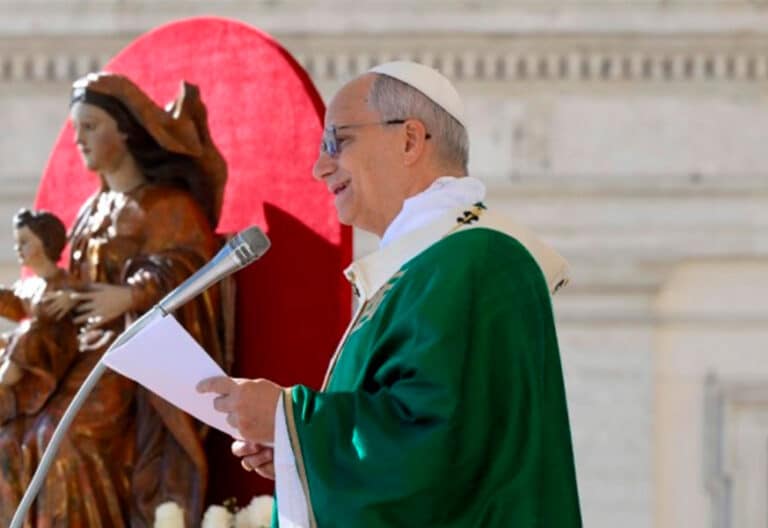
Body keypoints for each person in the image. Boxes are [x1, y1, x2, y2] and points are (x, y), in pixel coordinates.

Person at [198, 61, 582, 527]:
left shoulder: (478, 260)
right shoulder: (426, 266)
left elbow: (440, 446)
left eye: (337, 142)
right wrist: (299, 452)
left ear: (409, 140)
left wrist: (290, 419)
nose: (320, 168)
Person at [8, 72, 229, 527]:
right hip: (78, 351)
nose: (79, 141)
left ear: (125, 129)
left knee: (63, 439)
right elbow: (76, 279)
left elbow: (193, 270)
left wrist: (131, 295)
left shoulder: (166, 206)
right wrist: (65, 299)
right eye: (75, 130)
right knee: (10, 438)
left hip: (132, 360)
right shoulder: (92, 210)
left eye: (90, 127)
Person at [0, 209, 80, 528]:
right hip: (29, 371)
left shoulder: (64, 284)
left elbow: (82, 307)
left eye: (25, 242)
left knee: (28, 334)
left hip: (52, 369)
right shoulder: (31, 286)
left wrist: (72, 298)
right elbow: (11, 299)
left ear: (45, 243)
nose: (18, 249)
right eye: (16, 242)